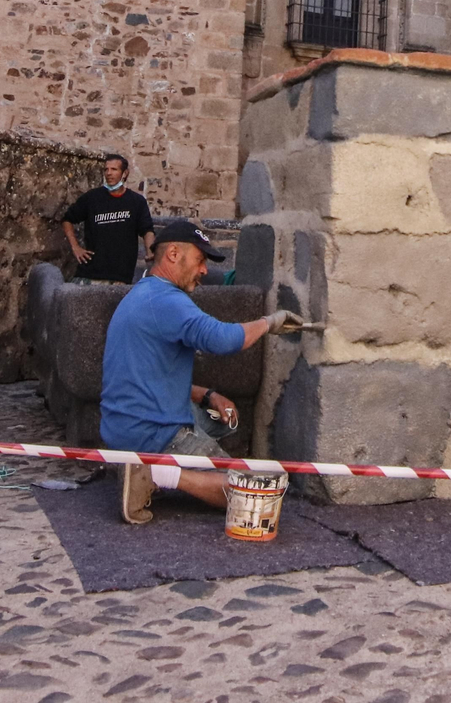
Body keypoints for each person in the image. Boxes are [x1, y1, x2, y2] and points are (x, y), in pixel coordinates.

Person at [100, 220, 303, 524]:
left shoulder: (141, 295)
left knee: (222, 422)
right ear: (172, 254)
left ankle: (145, 468)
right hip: (154, 434)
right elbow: (223, 339)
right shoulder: (169, 301)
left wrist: (208, 395)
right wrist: (269, 323)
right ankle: (157, 474)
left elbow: (151, 371)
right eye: (200, 259)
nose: (205, 270)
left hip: (122, 428)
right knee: (256, 493)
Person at [61, 155, 155, 283]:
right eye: (106, 169)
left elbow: (147, 230)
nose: (109, 173)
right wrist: (75, 247)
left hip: (120, 277)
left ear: (125, 173)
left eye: (114, 169)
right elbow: (67, 219)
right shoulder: (92, 198)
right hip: (89, 275)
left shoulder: (136, 202)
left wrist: (150, 253)